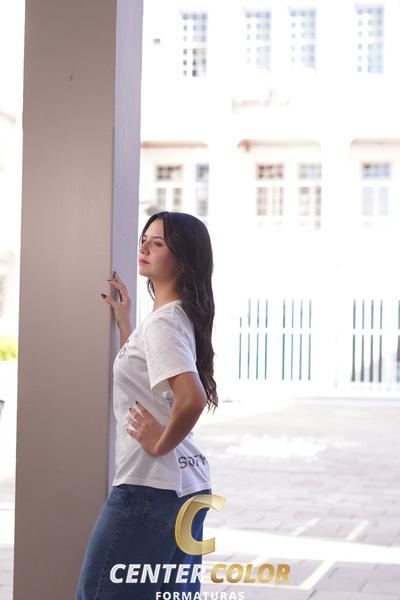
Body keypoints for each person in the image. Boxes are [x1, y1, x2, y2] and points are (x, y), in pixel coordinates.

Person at [75, 211, 218, 599]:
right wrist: (126, 323)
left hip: (150, 489)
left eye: (158, 244)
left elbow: (192, 398)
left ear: (182, 258)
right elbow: (146, 376)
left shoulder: (163, 324)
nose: (144, 248)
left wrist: (159, 441)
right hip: (186, 486)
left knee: (99, 593)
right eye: (144, 240)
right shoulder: (175, 318)